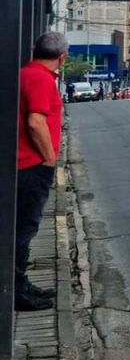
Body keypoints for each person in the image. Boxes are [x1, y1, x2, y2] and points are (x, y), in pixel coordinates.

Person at [15, 32, 68, 312]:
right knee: (25, 228)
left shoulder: (25, 74)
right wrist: (49, 159)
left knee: (22, 227)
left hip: (23, 164)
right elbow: (36, 122)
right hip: (31, 165)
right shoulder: (40, 79)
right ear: (62, 57)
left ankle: (19, 284)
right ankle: (16, 290)